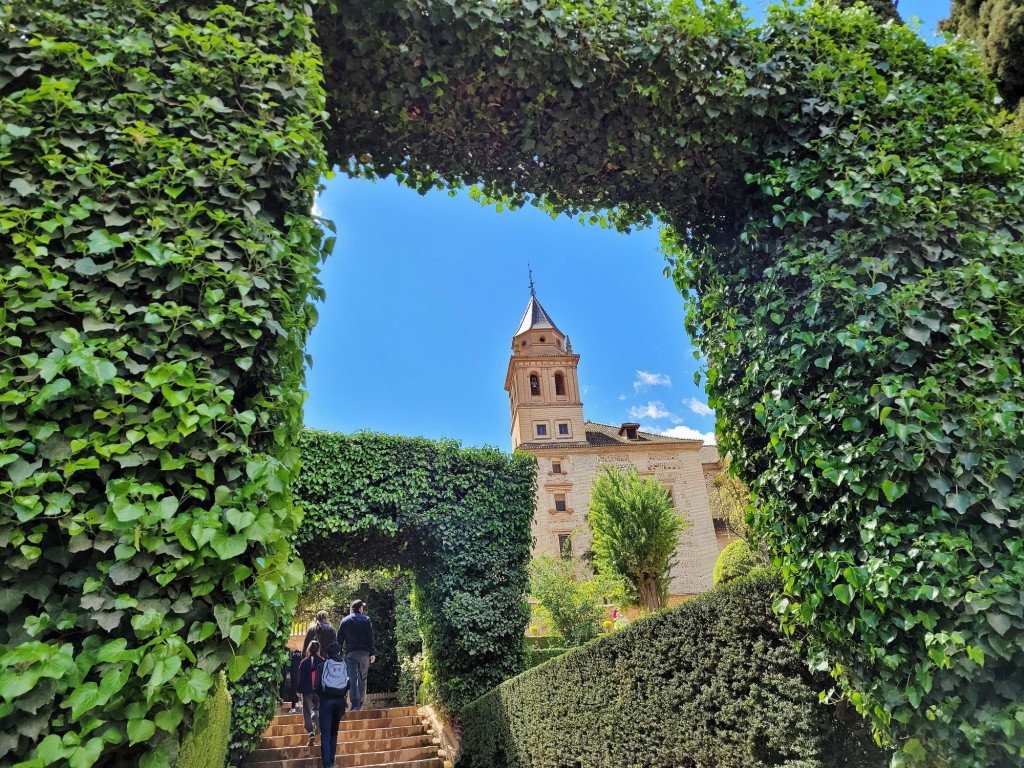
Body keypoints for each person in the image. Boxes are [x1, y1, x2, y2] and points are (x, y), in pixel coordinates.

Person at [314, 641, 348, 768]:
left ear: (327, 654)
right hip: (339, 702)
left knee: (326, 734)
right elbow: (348, 683)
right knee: (334, 732)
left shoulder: (322, 666)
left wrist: (323, 696)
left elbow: (316, 686)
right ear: (338, 653)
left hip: (326, 702)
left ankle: (326, 764)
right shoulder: (344, 665)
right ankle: (332, 761)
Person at [338, 599, 375, 711]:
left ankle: (355, 704)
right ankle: (361, 703)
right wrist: (372, 653)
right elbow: (370, 637)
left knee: (353, 679)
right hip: (364, 653)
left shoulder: (345, 621)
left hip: (351, 653)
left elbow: (339, 639)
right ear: (360, 608)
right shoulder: (366, 619)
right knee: (363, 678)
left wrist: (338, 653)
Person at [297, 640, 322, 738]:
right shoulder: (322, 661)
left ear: (308, 649)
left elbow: (300, 678)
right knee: (317, 709)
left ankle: (310, 731)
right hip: (319, 691)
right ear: (318, 650)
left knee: (306, 711)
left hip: (306, 691)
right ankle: (318, 723)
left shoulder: (303, 662)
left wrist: (298, 690)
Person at [287, 648, 301, 713]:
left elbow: (288, 670)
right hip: (300, 678)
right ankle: (301, 706)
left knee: (293, 692)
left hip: (294, 678)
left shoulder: (291, 660)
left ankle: (293, 707)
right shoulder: (302, 660)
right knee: (301, 693)